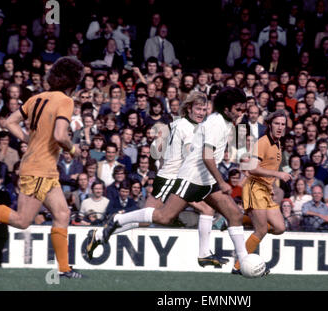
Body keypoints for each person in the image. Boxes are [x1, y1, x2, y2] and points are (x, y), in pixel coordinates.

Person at [87, 87, 256, 276]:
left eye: (204, 109)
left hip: (202, 177)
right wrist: (222, 181)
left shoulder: (218, 123)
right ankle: (118, 220)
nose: (242, 113)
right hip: (185, 177)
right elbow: (203, 156)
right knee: (164, 217)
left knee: (233, 214)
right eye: (239, 109)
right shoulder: (194, 125)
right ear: (226, 109)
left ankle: (240, 261)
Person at [0, 56, 84, 278]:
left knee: (63, 213)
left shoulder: (36, 98)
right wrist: (73, 150)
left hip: (42, 168)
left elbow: (8, 122)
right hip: (39, 169)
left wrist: (27, 138)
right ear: (73, 83)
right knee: (22, 220)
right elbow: (60, 135)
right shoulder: (65, 101)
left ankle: (64, 268)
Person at [232, 110, 291, 273]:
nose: (280, 127)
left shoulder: (278, 143)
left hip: (266, 190)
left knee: (280, 228)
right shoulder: (263, 142)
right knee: (262, 230)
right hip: (254, 189)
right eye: (277, 123)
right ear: (270, 125)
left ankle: (240, 218)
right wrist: (277, 174)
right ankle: (238, 266)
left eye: (283, 124)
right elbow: (252, 168)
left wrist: (270, 184)